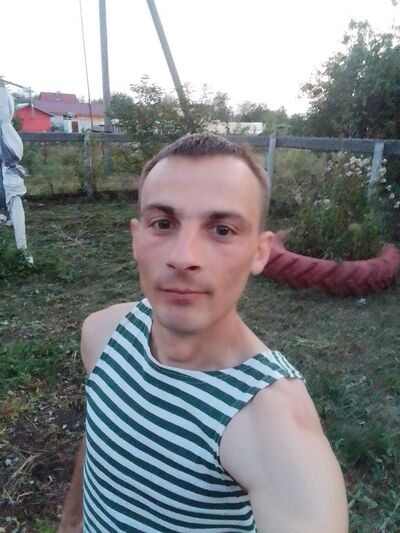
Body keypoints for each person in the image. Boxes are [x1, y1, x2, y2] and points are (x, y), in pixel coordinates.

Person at [58, 133, 348, 532]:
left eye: (222, 230)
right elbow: (100, 438)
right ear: (136, 238)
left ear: (260, 252)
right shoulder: (103, 336)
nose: (183, 257)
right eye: (163, 224)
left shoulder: (271, 421)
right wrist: (71, 521)